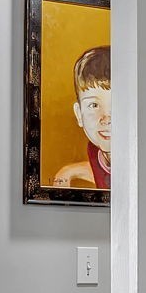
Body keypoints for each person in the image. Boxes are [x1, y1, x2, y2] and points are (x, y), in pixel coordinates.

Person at [52, 45, 113, 189]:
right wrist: (68, 172)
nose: (106, 118)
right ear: (79, 114)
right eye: (93, 105)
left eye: (116, 104)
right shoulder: (95, 152)